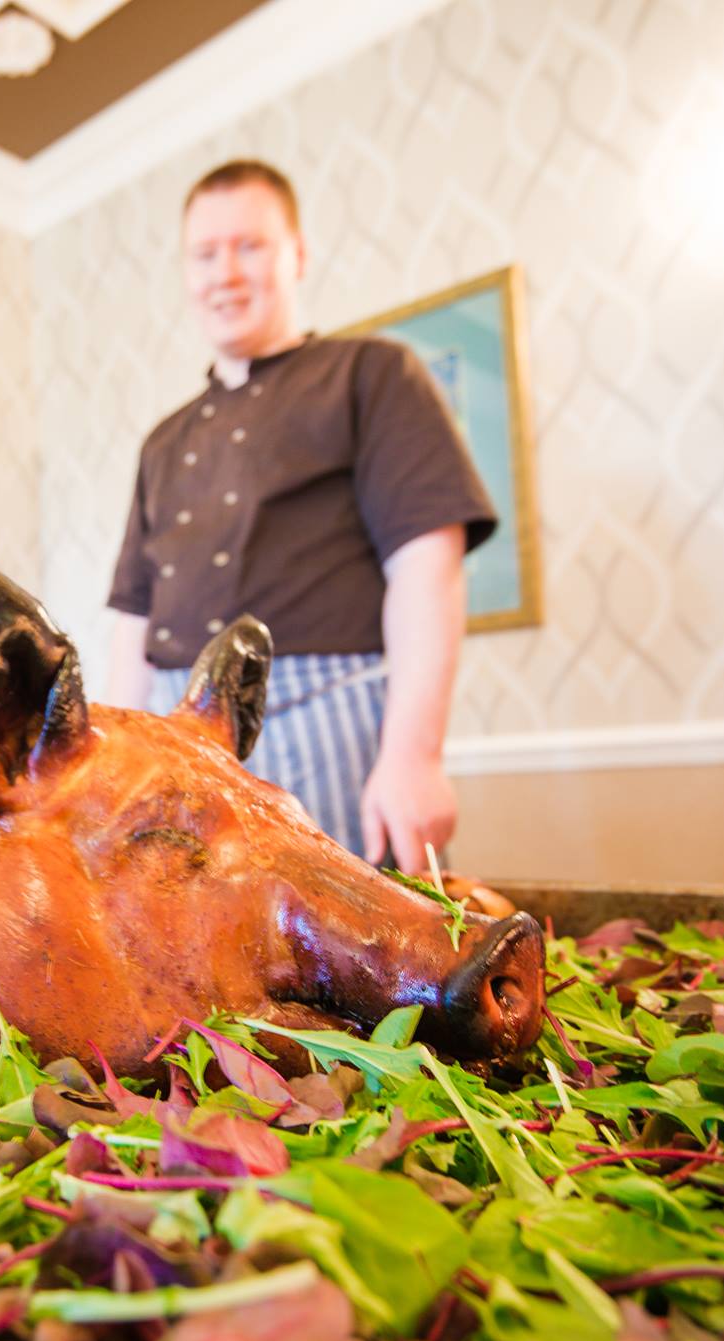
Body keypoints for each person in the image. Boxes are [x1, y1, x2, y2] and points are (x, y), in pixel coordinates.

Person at [103, 159, 496, 871]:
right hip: (170, 739)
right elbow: (134, 621)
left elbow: (427, 566)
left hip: (328, 725)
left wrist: (415, 757)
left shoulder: (372, 374)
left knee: (355, 940)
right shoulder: (163, 441)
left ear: (298, 255)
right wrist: (110, 770)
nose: (225, 273)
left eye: (250, 246)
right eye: (204, 254)